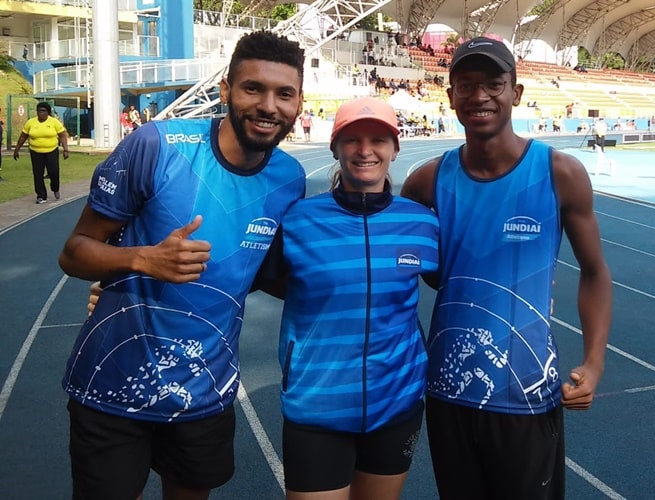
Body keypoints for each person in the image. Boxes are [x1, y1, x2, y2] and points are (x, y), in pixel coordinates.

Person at [56, 30, 307, 500]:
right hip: (114, 384)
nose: (269, 105)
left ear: (298, 103)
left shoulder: (289, 179)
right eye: (253, 88)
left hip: (203, 390)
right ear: (226, 90)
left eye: (284, 94)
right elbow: (74, 251)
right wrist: (142, 259)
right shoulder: (157, 145)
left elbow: (259, 274)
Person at [400, 36, 613, 500]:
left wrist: (594, 364)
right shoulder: (427, 182)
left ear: (515, 93)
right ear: (450, 94)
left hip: (527, 391)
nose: (480, 96)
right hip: (448, 391)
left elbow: (595, 272)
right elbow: (406, 262)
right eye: (466, 85)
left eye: (494, 83)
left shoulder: (560, 173)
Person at [255, 97, 439, 499]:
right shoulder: (299, 220)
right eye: (352, 139)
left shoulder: (421, 222)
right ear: (335, 147)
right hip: (317, 404)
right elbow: (245, 277)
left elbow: (453, 282)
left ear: (395, 148)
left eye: (378, 139)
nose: (365, 151)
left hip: (398, 403)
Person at [12, 101, 69, 203]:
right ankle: (41, 196)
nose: (40, 113)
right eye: (39, 111)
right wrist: (17, 149)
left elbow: (62, 135)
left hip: (51, 150)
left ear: (48, 112)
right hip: (35, 151)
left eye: (43, 111)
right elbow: (23, 136)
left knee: (53, 172)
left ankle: (55, 188)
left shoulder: (54, 122)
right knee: (38, 173)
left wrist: (65, 149)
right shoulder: (31, 122)